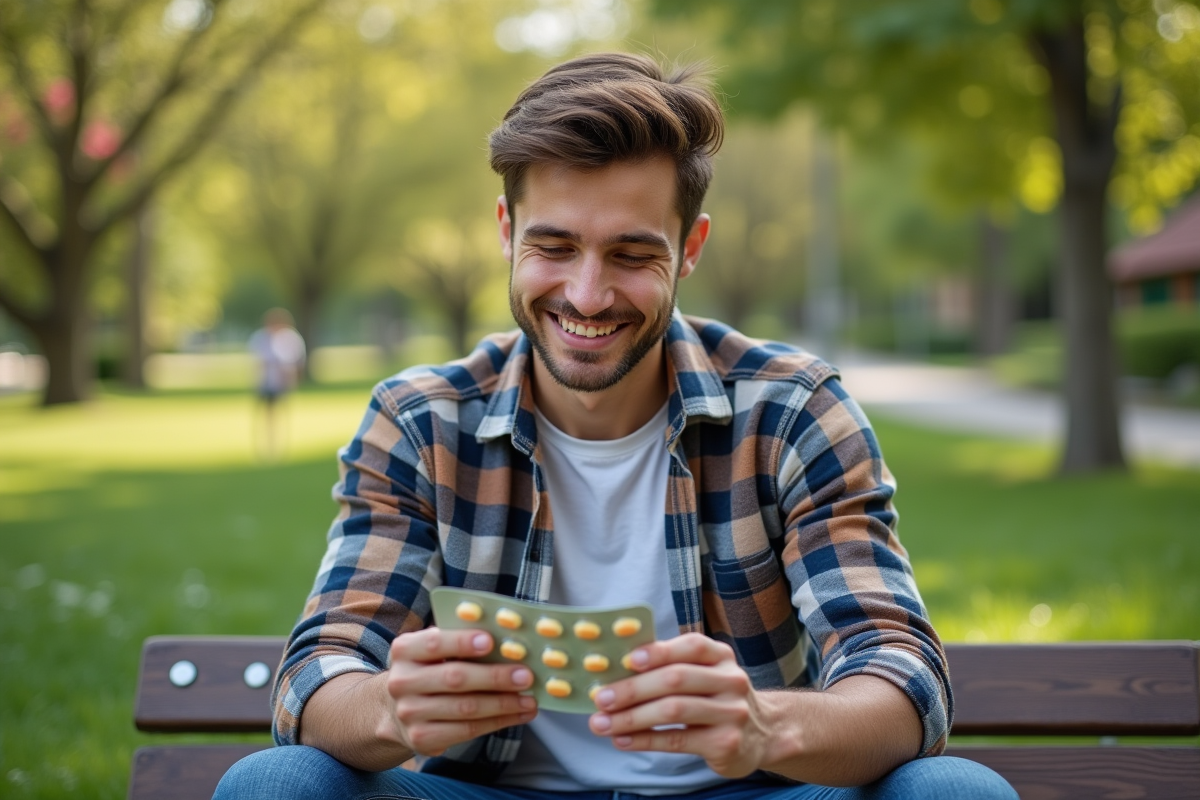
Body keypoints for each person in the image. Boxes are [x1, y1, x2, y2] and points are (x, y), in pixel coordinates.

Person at [215, 53, 1016, 799]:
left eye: (632, 255)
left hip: (746, 789)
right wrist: (388, 710)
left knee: (957, 792)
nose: (588, 295)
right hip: (490, 790)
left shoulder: (793, 410)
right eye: (554, 246)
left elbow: (900, 675)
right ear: (505, 232)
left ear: (689, 247)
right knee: (273, 783)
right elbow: (316, 671)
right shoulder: (422, 423)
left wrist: (763, 727)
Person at [248, 308, 306, 459]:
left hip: (282, 384)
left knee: (281, 415)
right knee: (265, 416)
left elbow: (297, 362)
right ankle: (265, 447)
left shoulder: (290, 338)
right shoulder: (260, 338)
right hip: (264, 383)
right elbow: (256, 362)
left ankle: (279, 447)